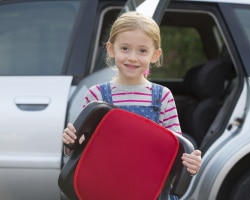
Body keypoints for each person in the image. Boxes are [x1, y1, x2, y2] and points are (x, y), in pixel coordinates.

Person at [62, 11, 202, 200]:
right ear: (111, 49)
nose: (132, 58)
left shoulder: (162, 97)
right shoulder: (97, 95)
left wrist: (190, 164)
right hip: (105, 186)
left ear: (155, 54)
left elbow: (175, 150)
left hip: (148, 188)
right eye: (125, 48)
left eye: (142, 50)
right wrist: (71, 141)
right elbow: (80, 150)